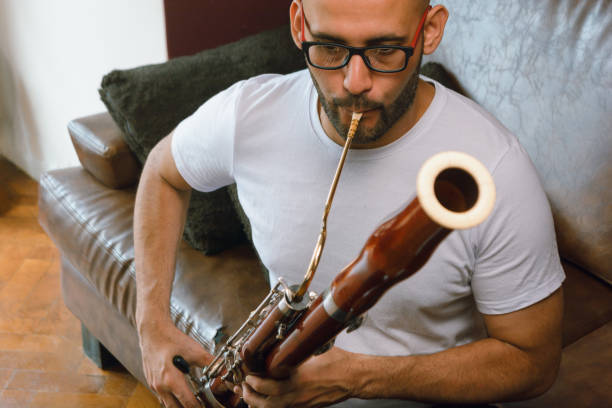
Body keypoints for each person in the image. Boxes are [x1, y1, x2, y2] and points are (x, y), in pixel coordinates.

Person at [134, 0, 565, 407]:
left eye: (386, 51)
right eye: (330, 47)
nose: (354, 83)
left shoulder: (491, 169)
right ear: (300, 25)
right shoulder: (248, 114)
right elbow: (162, 171)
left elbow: (534, 362)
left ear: (429, 31)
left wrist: (358, 376)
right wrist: (151, 323)